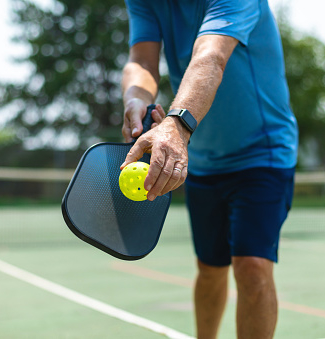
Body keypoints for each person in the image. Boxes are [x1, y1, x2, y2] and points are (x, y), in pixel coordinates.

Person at [120, 1, 298, 338]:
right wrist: (134, 99)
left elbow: (210, 56)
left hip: (263, 151)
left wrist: (176, 126)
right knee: (211, 267)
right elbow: (142, 60)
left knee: (252, 267)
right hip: (201, 157)